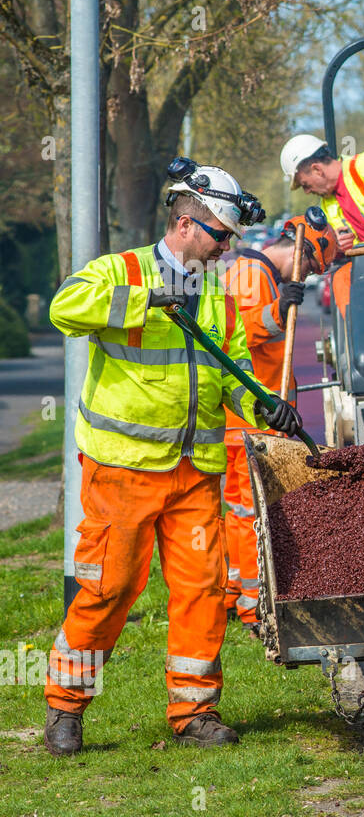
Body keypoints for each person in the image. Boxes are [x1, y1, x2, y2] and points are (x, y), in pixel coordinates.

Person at [44, 159, 303, 756]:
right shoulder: (122, 270)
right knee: (107, 591)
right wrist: (144, 301)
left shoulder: (213, 291)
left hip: (194, 476)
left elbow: (229, 367)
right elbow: (65, 309)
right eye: (220, 236)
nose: (224, 250)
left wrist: (262, 404)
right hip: (123, 471)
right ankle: (65, 705)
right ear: (187, 224)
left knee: (203, 592)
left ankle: (193, 711)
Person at [221, 213, 338, 630]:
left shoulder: (259, 271)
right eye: (308, 265)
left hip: (254, 416)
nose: (307, 274)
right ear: (299, 249)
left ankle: (235, 593)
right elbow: (237, 334)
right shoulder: (253, 274)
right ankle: (254, 605)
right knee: (250, 509)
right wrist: (280, 307)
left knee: (240, 509)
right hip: (250, 417)